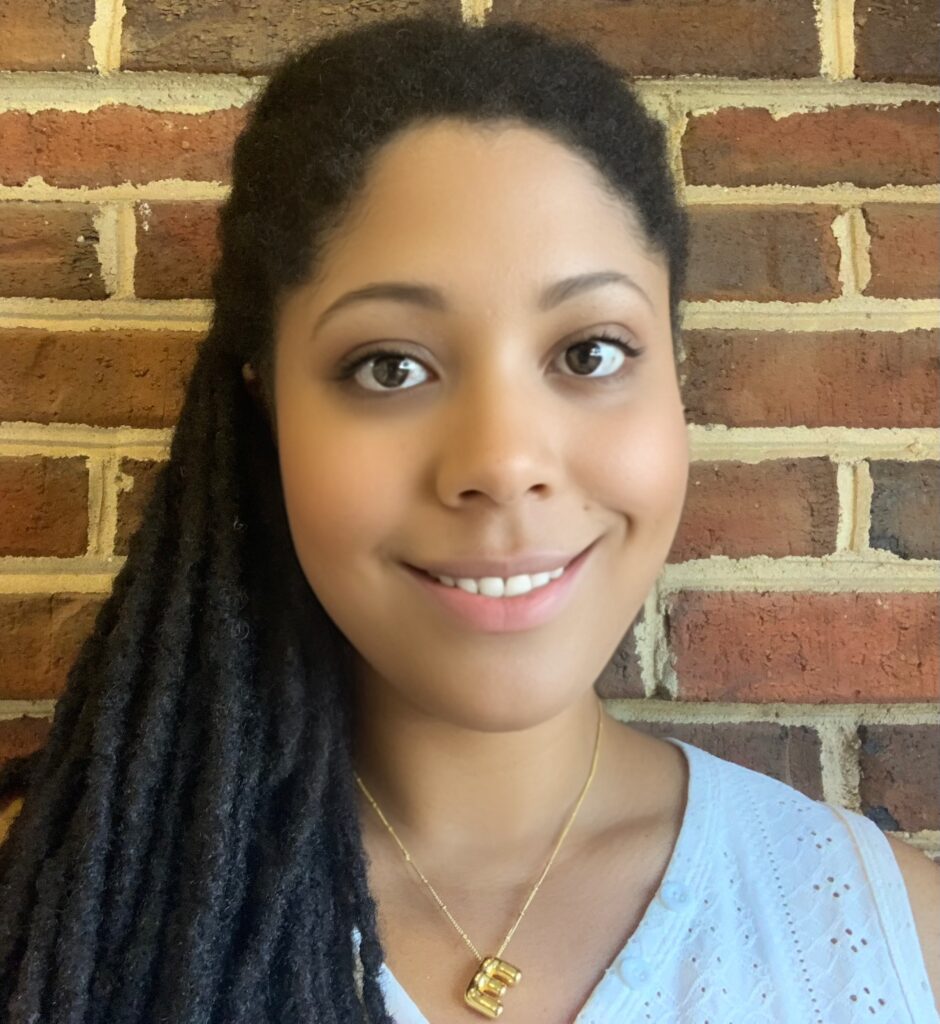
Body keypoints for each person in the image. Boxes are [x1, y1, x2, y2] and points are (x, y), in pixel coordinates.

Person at [0, 14, 937, 1024]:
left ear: (677, 382)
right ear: (265, 405)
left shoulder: (891, 940)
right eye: (389, 366)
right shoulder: (54, 919)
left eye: (589, 353)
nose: (500, 463)